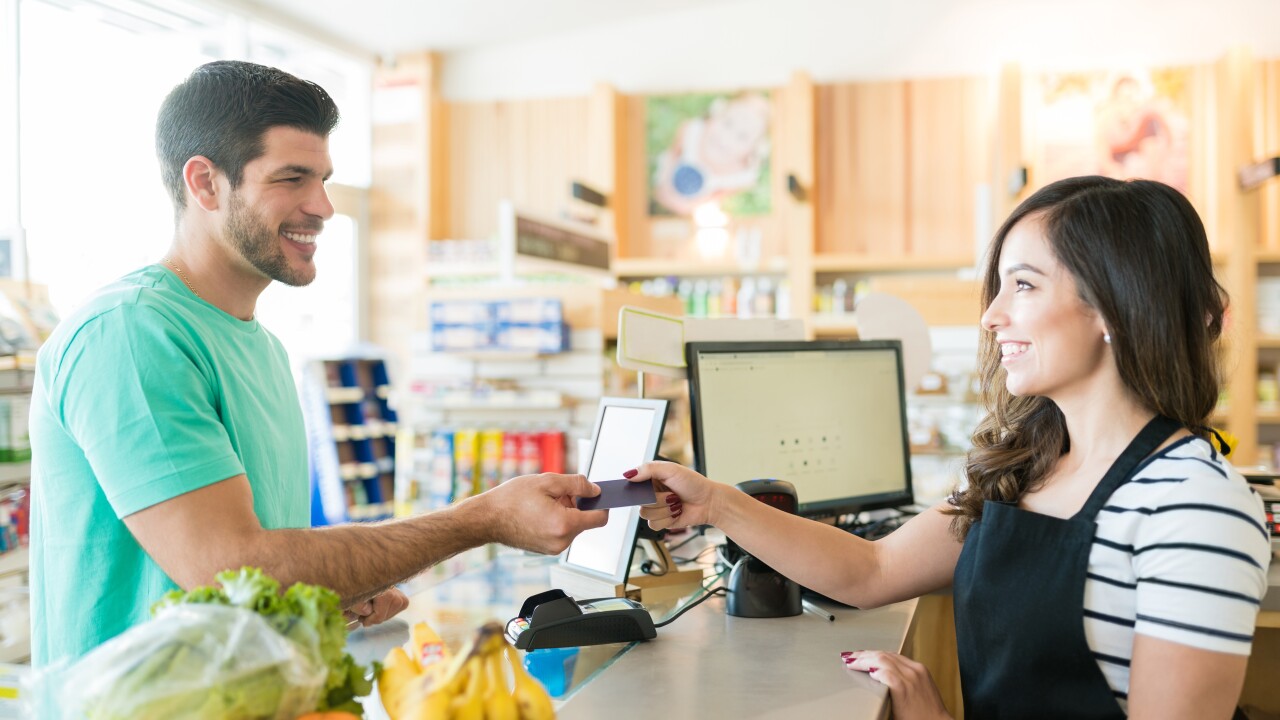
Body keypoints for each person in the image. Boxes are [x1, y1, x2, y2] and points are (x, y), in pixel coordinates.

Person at [28, 60, 607, 666]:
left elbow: (262, 574)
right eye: (292, 178)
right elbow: (232, 570)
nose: (324, 206)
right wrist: (478, 519)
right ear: (204, 183)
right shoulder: (131, 334)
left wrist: (332, 590)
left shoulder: (261, 347)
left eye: (324, 178)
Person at [626, 176, 1272, 719]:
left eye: (1022, 285)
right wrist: (716, 502)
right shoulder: (1031, 463)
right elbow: (870, 572)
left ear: (1113, 304)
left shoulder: (1195, 506)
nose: (992, 316)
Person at [651, 92, 771, 216]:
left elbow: (716, 196)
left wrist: (690, 206)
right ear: (716, 116)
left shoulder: (741, 175)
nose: (727, 137)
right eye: (727, 123)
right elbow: (673, 154)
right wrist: (665, 181)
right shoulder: (693, 132)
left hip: (695, 200)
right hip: (672, 174)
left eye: (742, 137)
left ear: (754, 149)